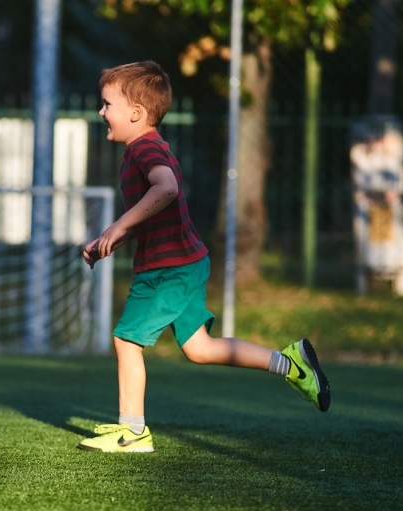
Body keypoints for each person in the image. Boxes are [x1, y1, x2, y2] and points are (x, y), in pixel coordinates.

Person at [79, 61, 330, 453]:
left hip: (169, 271)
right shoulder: (139, 150)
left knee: (126, 341)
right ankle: (291, 364)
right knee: (199, 349)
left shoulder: (145, 147)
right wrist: (109, 240)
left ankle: (134, 432)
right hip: (185, 262)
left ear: (136, 113)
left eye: (107, 104)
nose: (101, 111)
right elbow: (154, 213)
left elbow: (167, 189)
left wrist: (116, 227)